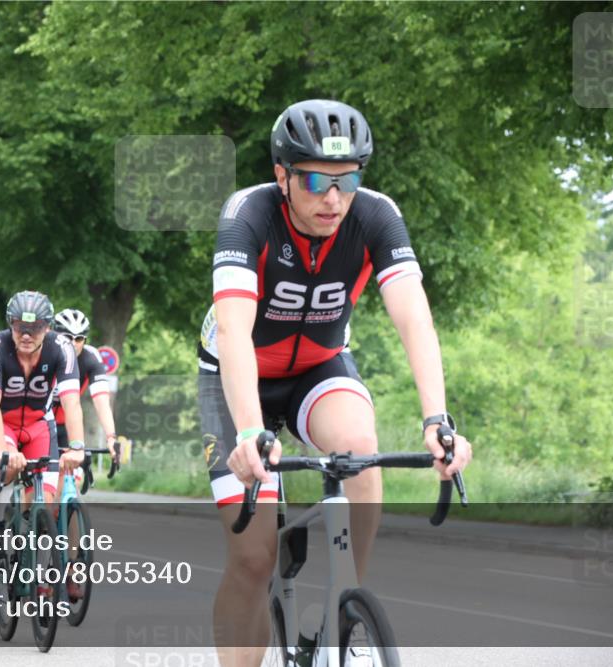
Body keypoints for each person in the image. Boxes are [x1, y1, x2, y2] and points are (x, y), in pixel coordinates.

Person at [199, 99, 473, 666]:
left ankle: (339, 613)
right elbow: (232, 331)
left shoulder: (376, 215)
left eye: (347, 181)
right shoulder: (247, 214)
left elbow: (414, 317)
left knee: (362, 454)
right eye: (317, 180)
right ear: (283, 175)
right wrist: (249, 431)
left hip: (318, 367)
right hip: (238, 372)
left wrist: (437, 421)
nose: (334, 198)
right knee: (253, 559)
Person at [0, 291, 85, 557]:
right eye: (19, 327)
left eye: (34, 329)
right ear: (10, 323)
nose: (26, 335)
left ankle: (30, 552)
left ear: (47, 327)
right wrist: (3, 451)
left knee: (45, 502)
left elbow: (71, 403)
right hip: (1, 422)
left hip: (38, 425)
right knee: (5, 471)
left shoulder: (62, 348)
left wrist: (78, 445)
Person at [51, 308, 119, 458]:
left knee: (61, 471)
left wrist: (111, 437)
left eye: (79, 338)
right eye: (68, 337)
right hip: (36, 421)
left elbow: (102, 402)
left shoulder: (91, 358)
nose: (73, 343)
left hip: (66, 423)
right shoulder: (42, 353)